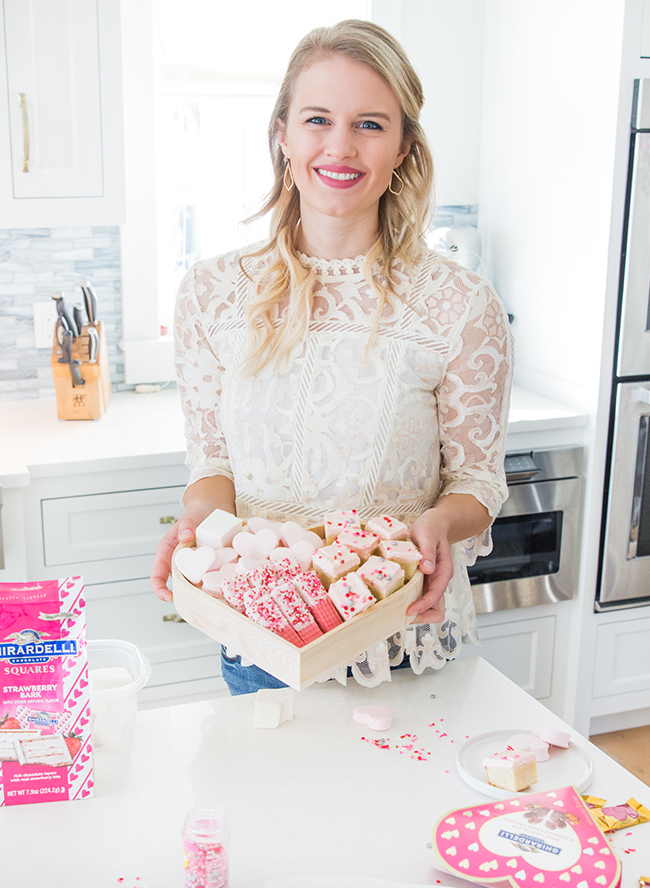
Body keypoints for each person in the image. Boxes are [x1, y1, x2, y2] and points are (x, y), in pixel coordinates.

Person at [150, 19, 513, 695]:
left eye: (370, 124)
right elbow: (215, 466)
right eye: (318, 119)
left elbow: (477, 484)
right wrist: (197, 525)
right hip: (260, 637)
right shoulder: (212, 295)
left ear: (405, 146)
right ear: (282, 134)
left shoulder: (460, 305)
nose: (340, 146)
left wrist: (438, 523)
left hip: (403, 640)